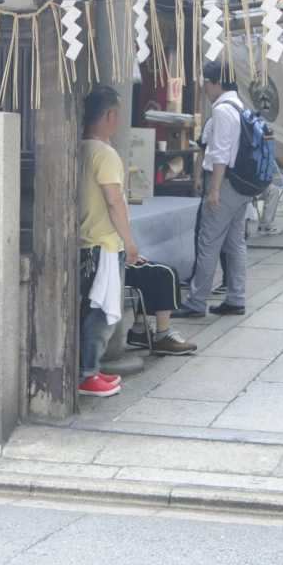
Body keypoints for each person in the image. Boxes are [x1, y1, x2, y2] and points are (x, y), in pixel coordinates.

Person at [79, 85, 197, 398]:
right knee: (101, 312)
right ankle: (87, 373)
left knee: (91, 309)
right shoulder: (104, 153)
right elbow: (115, 201)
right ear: (110, 116)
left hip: (86, 240)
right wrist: (129, 242)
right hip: (103, 243)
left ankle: (88, 369)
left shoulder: (79, 148)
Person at [174, 61, 250, 318]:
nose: (204, 88)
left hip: (225, 183)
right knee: (235, 242)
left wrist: (214, 189)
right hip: (241, 185)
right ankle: (236, 297)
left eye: (205, 82)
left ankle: (196, 302)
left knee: (208, 242)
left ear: (215, 81)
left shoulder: (222, 111)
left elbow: (219, 153)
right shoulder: (239, 106)